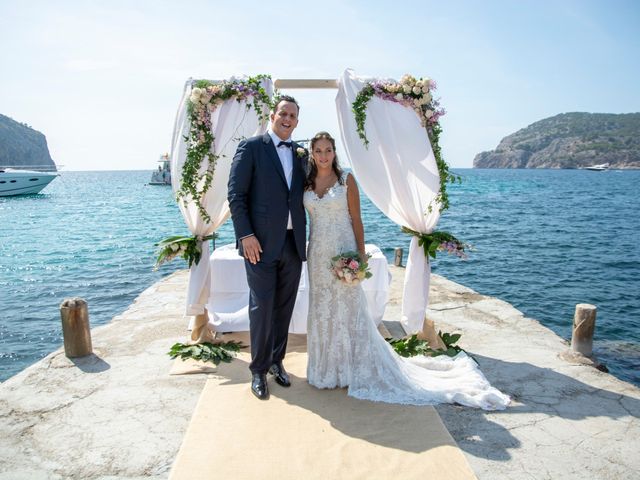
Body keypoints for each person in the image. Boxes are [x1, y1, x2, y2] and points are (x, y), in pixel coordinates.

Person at [303, 131, 510, 410]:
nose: (324, 155)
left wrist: (359, 257)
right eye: (319, 151)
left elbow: (357, 220)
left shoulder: (346, 180)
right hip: (317, 254)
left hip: (343, 252)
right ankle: (326, 368)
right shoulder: (305, 182)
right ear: (312, 153)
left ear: (334, 153)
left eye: (328, 150)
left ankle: (351, 368)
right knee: (322, 309)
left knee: (347, 310)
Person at [227, 95, 308, 400]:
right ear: (273, 116)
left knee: (284, 307)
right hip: (258, 244)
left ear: (297, 122)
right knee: (262, 307)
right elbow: (236, 194)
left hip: (293, 243)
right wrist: (245, 235)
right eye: (283, 113)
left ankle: (277, 361)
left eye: (293, 116)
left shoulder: (301, 153)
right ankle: (258, 370)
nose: (287, 119)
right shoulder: (251, 147)